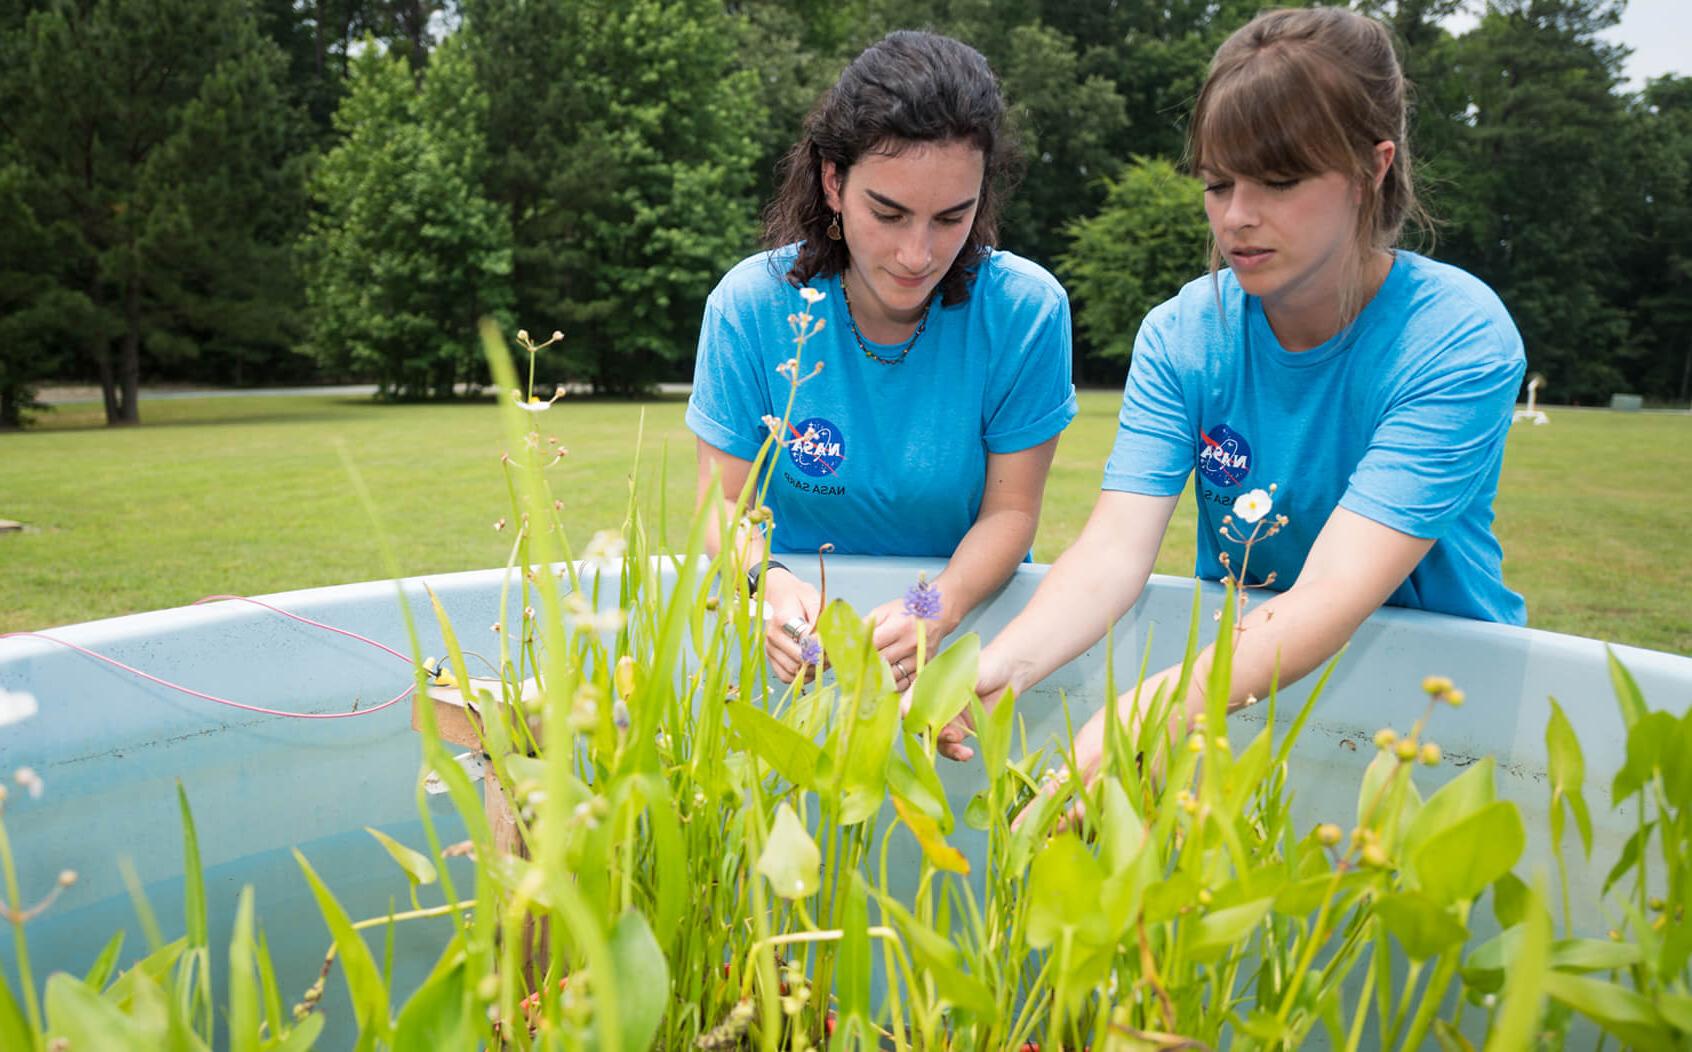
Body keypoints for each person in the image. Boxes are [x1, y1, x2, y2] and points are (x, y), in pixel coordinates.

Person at [941, 7, 1527, 779]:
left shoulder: (1455, 339)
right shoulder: (1184, 334)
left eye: (1280, 182)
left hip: (1437, 723)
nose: (1238, 218)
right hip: (1227, 696)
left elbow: (1331, 591)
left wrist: (1137, 714)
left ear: (1372, 168)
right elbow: (1115, 550)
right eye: (1219, 184)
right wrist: (1000, 668)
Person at [686, 30, 1078, 691]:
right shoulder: (748, 306)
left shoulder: (1025, 312)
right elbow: (724, 503)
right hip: (795, 649)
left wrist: (934, 605)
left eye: (952, 217)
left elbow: (1010, 513)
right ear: (834, 181)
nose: (918, 254)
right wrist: (770, 588)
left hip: (964, 639)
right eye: (888, 213)